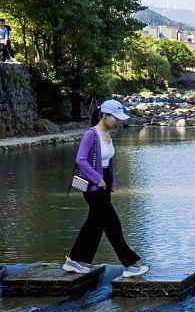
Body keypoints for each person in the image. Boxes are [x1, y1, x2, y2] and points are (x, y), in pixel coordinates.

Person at [63, 99, 149, 277]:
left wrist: (113, 180)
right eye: (115, 118)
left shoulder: (108, 134)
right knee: (113, 224)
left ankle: (76, 261)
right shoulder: (90, 135)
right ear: (104, 116)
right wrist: (97, 179)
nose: (118, 121)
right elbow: (81, 160)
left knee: (94, 225)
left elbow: (108, 160)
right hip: (93, 187)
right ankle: (130, 264)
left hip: (105, 184)